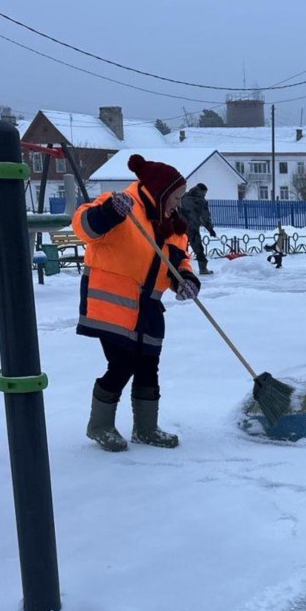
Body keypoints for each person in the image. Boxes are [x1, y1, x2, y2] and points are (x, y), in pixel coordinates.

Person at [73, 154, 201, 452]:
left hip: (149, 308)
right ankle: (100, 426)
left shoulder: (170, 224)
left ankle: (146, 429)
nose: (177, 204)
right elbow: (84, 226)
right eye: (175, 197)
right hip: (112, 306)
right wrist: (109, 212)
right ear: (160, 192)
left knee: (148, 366)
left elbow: (180, 259)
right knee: (122, 364)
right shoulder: (122, 206)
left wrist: (186, 280)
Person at [179, 182, 217, 275]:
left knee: (181, 247)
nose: (205, 195)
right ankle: (203, 269)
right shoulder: (201, 201)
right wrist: (210, 229)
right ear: (202, 191)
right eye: (205, 193)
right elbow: (205, 217)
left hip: (179, 226)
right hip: (192, 227)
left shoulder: (183, 197)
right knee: (198, 248)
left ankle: (179, 267)